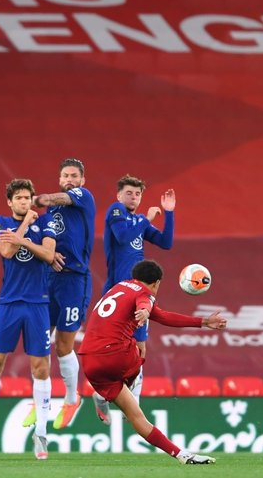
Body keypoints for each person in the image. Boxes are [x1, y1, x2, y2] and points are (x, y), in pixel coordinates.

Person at [79, 260, 224, 465]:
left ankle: (182, 455)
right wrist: (145, 310)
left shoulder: (118, 287)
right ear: (156, 283)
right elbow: (145, 303)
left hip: (88, 362)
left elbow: (164, 316)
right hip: (113, 356)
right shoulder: (144, 293)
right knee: (139, 349)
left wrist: (203, 322)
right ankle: (129, 391)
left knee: (136, 417)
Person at [0, 179, 65, 459]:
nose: (24, 201)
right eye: (19, 197)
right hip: (9, 302)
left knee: (40, 366)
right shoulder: (1, 221)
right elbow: (6, 251)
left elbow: (49, 254)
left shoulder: (48, 223)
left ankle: (41, 433)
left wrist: (22, 239)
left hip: (38, 303)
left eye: (28, 197)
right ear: (10, 201)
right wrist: (24, 227)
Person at [94, 175, 174, 419]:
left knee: (140, 348)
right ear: (119, 195)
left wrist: (169, 214)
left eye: (137, 194)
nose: (133, 197)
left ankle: (133, 405)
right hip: (117, 292)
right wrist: (147, 218)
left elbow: (165, 242)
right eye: (129, 193)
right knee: (111, 348)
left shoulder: (138, 220)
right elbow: (123, 238)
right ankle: (101, 393)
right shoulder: (116, 211)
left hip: (139, 293)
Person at [32, 157, 96, 429]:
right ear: (59, 178)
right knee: (38, 341)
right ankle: (40, 401)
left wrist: (41, 197)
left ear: (82, 180)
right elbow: (43, 242)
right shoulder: (48, 216)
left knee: (63, 345)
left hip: (74, 280)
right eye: (65, 176)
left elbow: (58, 199)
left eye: (74, 176)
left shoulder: (82, 197)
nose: (69, 180)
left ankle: (72, 399)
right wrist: (50, 253)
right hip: (49, 279)